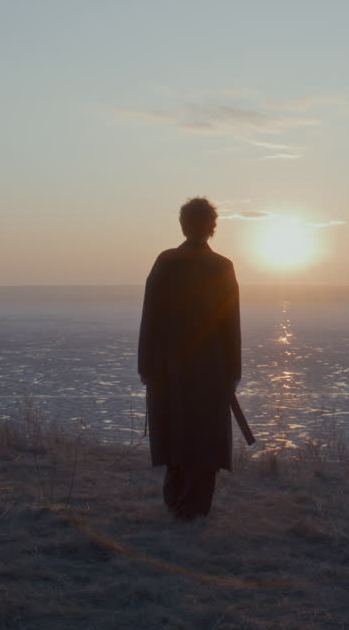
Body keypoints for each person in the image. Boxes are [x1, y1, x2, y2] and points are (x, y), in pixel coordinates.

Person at [138, 197, 243, 521]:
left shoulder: (167, 262)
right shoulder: (220, 266)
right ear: (212, 227)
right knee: (202, 438)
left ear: (184, 225)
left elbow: (150, 318)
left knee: (176, 434)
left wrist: (147, 366)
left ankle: (178, 507)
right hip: (209, 369)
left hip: (170, 367)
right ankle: (191, 510)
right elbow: (230, 325)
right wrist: (232, 372)